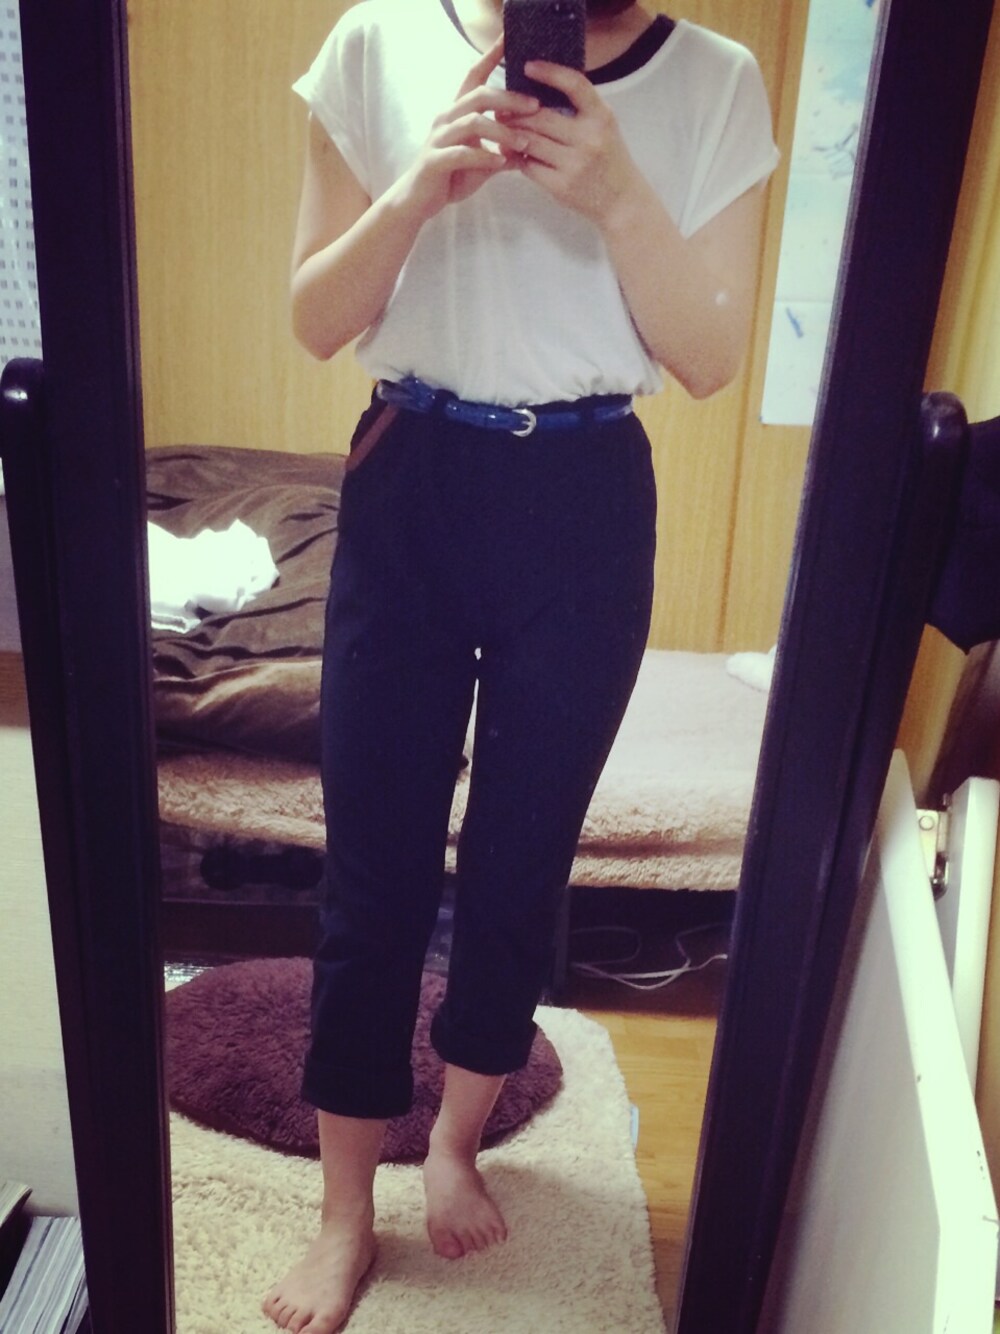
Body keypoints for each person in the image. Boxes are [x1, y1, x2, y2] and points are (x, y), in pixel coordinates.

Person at [263, 2, 778, 1330]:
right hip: (412, 473)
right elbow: (314, 317)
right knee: (371, 861)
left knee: (521, 853)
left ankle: (454, 1143)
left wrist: (618, 195)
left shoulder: (716, 80)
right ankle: (342, 1213)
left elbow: (711, 358)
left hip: (587, 495)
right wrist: (415, 194)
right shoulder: (376, 39)